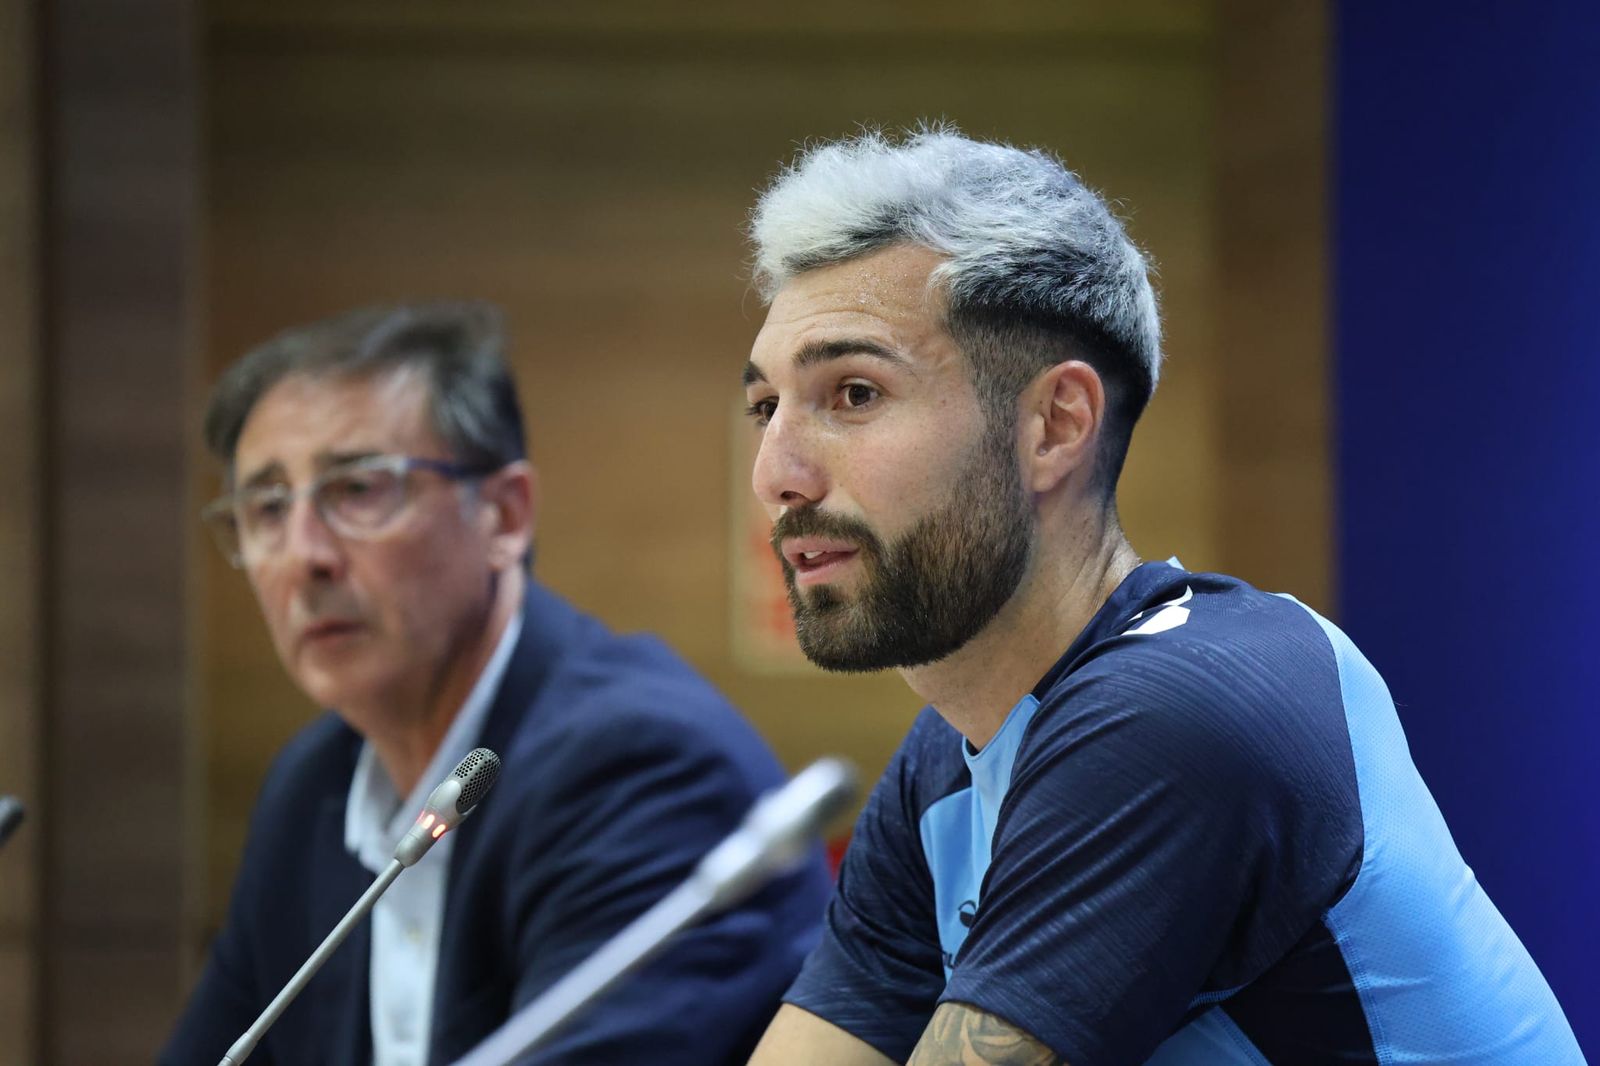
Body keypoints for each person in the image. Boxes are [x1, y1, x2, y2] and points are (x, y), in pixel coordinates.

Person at [739, 128, 1585, 1066]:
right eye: (765, 407)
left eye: (853, 393)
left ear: (1055, 426)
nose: (777, 472)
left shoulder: (1181, 712)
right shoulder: (948, 759)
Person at [161, 303, 830, 1066]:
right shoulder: (309, 790)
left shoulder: (641, 767)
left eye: (356, 491)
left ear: (506, 515)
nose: (303, 555)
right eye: (268, 507)